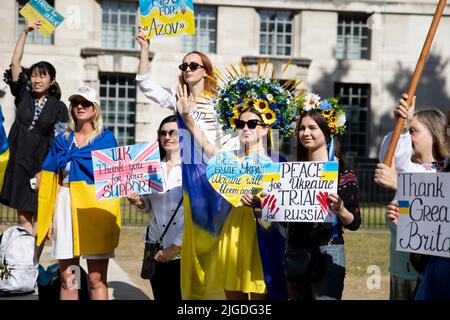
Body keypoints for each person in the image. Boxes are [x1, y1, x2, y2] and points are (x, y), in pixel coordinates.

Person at [176, 71, 299, 299]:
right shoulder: (229, 158)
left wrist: (262, 202)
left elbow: (287, 204)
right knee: (233, 299)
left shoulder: (278, 162)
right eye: (240, 123)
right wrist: (187, 117)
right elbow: (204, 145)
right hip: (233, 231)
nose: (245, 128)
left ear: (265, 128)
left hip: (264, 233)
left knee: (261, 297)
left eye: (252, 123)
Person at [36, 86, 121, 300]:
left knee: (95, 279)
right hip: (65, 205)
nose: (80, 107)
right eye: (76, 103)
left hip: (94, 208)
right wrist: (47, 218)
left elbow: (117, 178)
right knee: (69, 279)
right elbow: (50, 178)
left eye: (86, 103)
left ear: (95, 109)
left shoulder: (106, 140)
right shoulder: (62, 140)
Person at [286, 94, 361, 300]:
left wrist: (341, 209)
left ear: (327, 131)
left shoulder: (342, 172)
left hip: (328, 252)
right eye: (302, 128)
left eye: (312, 128)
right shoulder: (292, 172)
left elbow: (355, 223)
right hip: (296, 252)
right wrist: (270, 203)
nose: (305, 133)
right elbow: (285, 220)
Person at [375, 94, 448, 300]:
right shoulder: (409, 168)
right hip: (402, 270)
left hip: (433, 271)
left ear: (434, 133)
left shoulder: (445, 171)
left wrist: (400, 185)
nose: (408, 137)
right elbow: (393, 156)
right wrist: (403, 124)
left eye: (414, 131)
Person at [0, 20, 68, 235]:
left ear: (52, 80)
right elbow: (15, 63)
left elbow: (59, 140)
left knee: (40, 213)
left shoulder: (59, 107)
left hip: (40, 164)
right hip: (17, 158)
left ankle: (34, 259)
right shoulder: (23, 95)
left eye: (43, 75)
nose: (37, 79)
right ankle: (27, 260)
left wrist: (48, 169)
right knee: (22, 214)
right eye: (35, 75)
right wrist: (25, 31)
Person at [134, 26, 236, 153]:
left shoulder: (219, 101)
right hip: (187, 164)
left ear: (205, 71)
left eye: (193, 66)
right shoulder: (178, 97)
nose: (188, 69)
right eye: (184, 66)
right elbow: (144, 84)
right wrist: (144, 48)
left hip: (213, 162)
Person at [127, 115, 184, 301]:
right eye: (163, 133)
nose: (167, 137)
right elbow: (148, 207)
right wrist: (137, 202)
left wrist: (176, 247)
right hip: (154, 245)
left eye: (173, 132)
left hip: (182, 248)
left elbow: (198, 215)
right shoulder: (151, 168)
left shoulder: (192, 170)